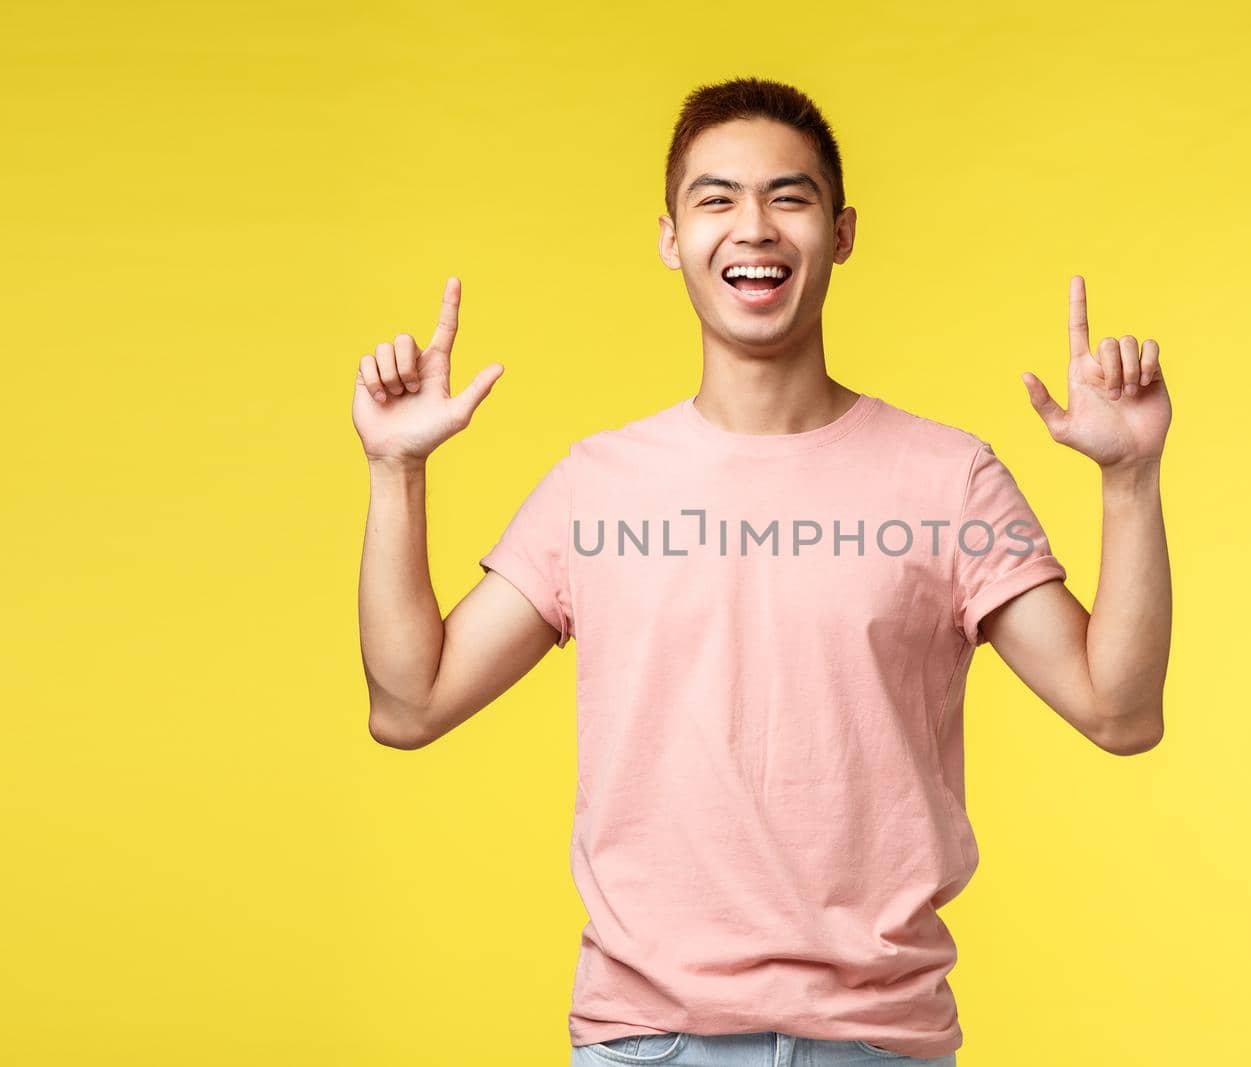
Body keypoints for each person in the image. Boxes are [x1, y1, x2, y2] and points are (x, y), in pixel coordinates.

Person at [352, 77, 1172, 1067]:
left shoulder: (945, 477)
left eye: (789, 198)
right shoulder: (597, 485)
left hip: (878, 1044)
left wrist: (1129, 477)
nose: (755, 227)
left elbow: (1118, 711)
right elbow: (410, 702)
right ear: (669, 237)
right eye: (716, 198)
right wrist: (396, 469)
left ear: (841, 230)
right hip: (645, 1043)